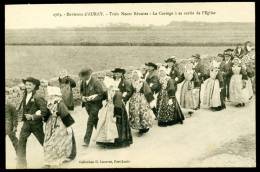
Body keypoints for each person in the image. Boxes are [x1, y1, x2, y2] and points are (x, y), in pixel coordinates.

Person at [16, 77, 49, 168]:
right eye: (26, 84)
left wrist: (33, 116)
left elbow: (44, 111)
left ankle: (51, 159)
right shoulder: (25, 95)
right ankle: (21, 165)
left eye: (30, 85)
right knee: (21, 142)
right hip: (26, 124)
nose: (27, 86)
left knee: (43, 142)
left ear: (34, 86)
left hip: (36, 125)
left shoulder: (38, 97)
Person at [43, 86, 76, 167]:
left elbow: (65, 114)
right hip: (51, 123)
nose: (49, 96)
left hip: (60, 123)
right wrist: (45, 120)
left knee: (59, 140)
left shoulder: (60, 103)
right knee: (49, 139)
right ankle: (50, 158)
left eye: (51, 95)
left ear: (55, 95)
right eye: (49, 95)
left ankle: (59, 157)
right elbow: (47, 113)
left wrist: (68, 127)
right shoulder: (49, 103)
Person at [79, 67, 105, 147]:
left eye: (84, 76)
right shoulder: (83, 82)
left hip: (95, 105)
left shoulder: (96, 82)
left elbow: (102, 95)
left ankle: (86, 141)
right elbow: (81, 92)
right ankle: (102, 136)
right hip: (87, 105)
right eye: (82, 76)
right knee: (95, 120)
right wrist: (82, 97)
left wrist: (93, 97)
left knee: (90, 122)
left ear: (89, 74)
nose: (83, 78)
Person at [5, 88, 19, 155]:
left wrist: (15, 126)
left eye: (6, 94)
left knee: (14, 141)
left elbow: (15, 116)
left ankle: (20, 154)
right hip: (8, 125)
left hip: (9, 126)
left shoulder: (10, 105)